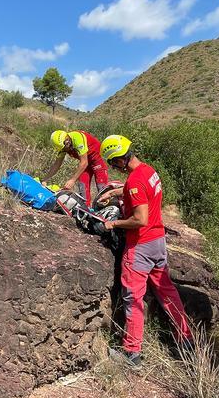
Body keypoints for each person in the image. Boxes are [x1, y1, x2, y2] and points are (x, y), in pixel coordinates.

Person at [99, 135, 193, 370]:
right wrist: (115, 192)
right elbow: (143, 194)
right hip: (158, 243)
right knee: (167, 293)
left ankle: (132, 354)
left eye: (113, 163)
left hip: (140, 246)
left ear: (121, 159)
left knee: (133, 297)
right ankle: (186, 340)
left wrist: (113, 224)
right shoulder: (149, 171)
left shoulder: (134, 183)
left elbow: (140, 219)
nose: (113, 168)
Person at [42, 129, 109, 206]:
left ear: (67, 139)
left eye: (65, 147)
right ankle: (86, 208)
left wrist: (72, 180)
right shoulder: (62, 146)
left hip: (96, 159)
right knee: (82, 185)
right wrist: (45, 179)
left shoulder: (77, 138)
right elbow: (57, 164)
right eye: (63, 149)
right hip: (85, 162)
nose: (65, 149)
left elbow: (84, 162)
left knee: (102, 187)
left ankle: (106, 207)